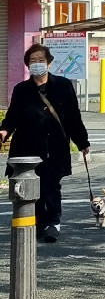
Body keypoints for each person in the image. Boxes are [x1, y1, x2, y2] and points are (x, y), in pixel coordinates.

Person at [0, 43, 91, 241]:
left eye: (41, 60)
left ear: (49, 63)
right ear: (27, 65)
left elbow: (73, 118)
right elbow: (12, 116)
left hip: (55, 147)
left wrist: (83, 142)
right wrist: (4, 131)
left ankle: (53, 223)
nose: (37, 64)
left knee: (51, 186)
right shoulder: (21, 89)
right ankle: (39, 222)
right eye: (33, 61)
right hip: (27, 148)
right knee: (33, 187)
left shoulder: (63, 86)